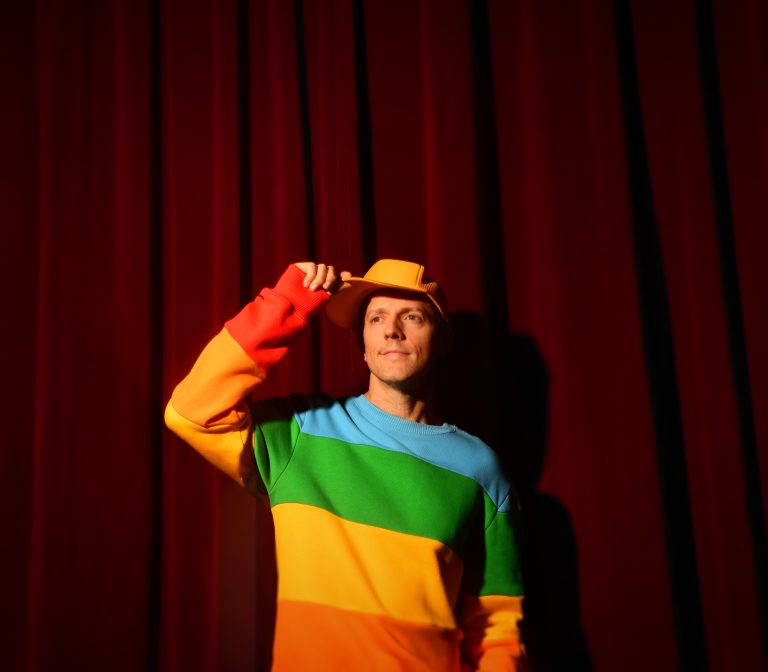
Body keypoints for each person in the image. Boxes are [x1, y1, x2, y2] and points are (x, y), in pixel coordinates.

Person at [165, 259, 526, 671]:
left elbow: (497, 628)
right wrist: (287, 301)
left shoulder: (480, 468)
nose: (392, 330)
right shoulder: (301, 432)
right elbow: (192, 412)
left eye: (412, 317)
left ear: (441, 340)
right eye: (377, 318)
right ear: (363, 344)